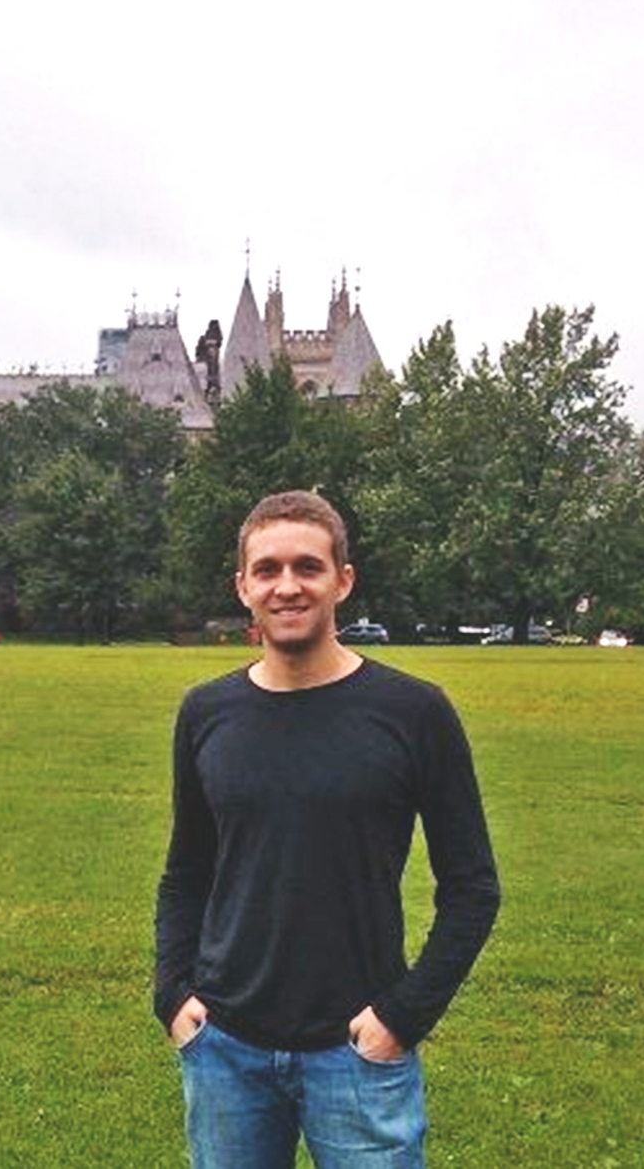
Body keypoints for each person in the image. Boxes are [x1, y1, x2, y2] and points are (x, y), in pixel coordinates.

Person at [154, 490, 501, 1168]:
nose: (288, 586)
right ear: (244, 587)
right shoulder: (207, 713)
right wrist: (173, 996)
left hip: (357, 1048)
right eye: (268, 570)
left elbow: (473, 888)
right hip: (225, 1046)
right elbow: (186, 873)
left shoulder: (413, 712)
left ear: (343, 579)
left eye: (307, 567)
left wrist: (401, 1018)